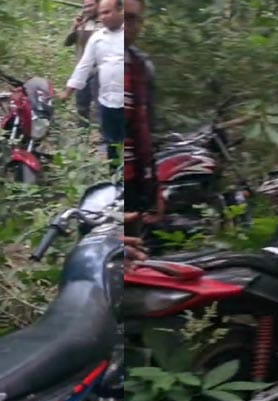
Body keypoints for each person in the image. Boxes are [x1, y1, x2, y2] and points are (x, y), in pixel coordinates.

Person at [58, 0, 124, 161]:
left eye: (107, 12)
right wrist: (67, 91)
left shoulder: (125, 32)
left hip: (113, 88)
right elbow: (83, 63)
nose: (104, 16)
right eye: (85, 6)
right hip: (104, 93)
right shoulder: (92, 32)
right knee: (84, 107)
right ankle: (88, 143)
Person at [123, 0, 158, 268]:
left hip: (131, 183)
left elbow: (146, 130)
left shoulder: (140, 67)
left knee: (132, 267)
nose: (125, 25)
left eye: (132, 18)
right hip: (97, 184)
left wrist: (153, 186)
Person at [63, 0, 101, 127]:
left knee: (100, 109)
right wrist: (75, 27)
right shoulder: (82, 22)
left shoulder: (105, 22)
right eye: (85, 6)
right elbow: (67, 42)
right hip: (82, 72)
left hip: (99, 73)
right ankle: (83, 134)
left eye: (90, 6)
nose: (87, 9)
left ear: (99, 5)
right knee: (82, 108)